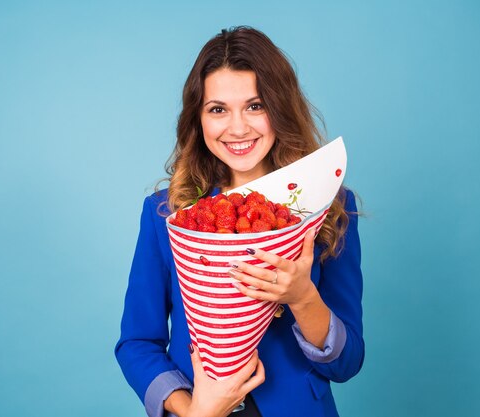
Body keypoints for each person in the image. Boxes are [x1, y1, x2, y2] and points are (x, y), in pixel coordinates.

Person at [115, 26, 364, 417]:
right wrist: (197, 410)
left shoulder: (330, 207)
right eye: (218, 109)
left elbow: (346, 363)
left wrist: (301, 297)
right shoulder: (166, 213)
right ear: (198, 119)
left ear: (279, 109)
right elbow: (137, 343)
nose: (238, 128)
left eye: (255, 105)